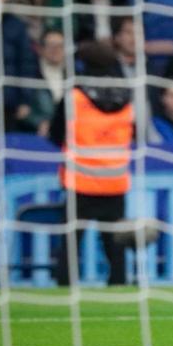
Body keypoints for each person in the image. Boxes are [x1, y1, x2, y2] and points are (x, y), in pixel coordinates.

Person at [48, 41, 135, 286]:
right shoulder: (127, 98)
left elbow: (55, 134)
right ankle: (119, 284)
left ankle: (65, 285)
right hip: (115, 181)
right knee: (114, 243)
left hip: (81, 180)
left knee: (72, 241)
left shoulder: (74, 97)